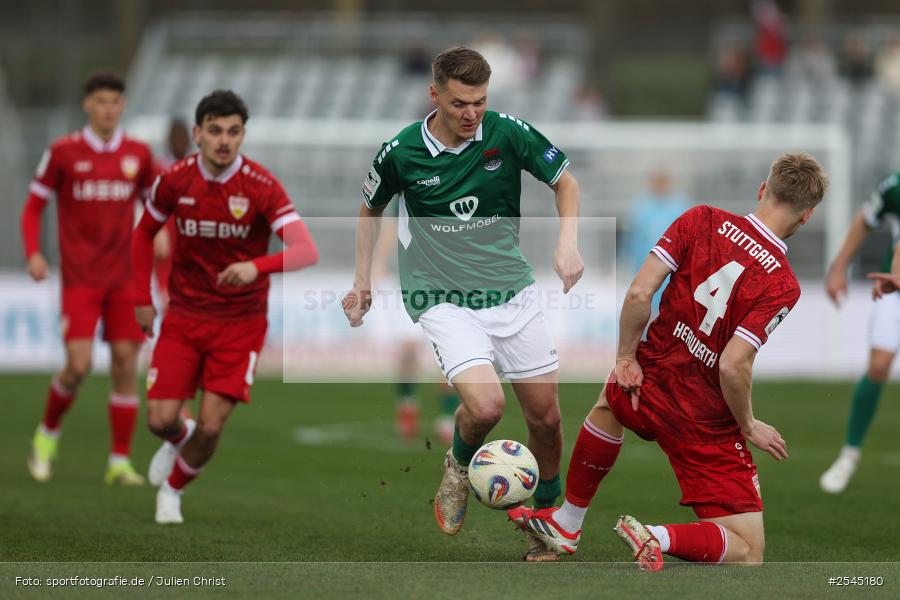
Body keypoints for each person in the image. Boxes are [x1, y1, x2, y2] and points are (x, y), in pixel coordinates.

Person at [509, 153, 828, 569]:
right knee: (749, 550)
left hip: (651, 379)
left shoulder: (702, 219)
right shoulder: (783, 284)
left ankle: (568, 522)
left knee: (609, 406)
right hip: (704, 420)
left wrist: (625, 356)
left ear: (763, 190)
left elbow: (641, 293)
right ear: (807, 217)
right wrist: (748, 424)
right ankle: (656, 535)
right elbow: (733, 364)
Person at [342, 46, 583, 561]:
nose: (471, 114)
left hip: (511, 290)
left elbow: (565, 181)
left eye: (479, 102)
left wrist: (568, 242)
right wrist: (363, 280)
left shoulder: (508, 132)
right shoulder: (400, 152)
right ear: (435, 95)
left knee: (547, 420)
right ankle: (457, 465)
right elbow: (370, 209)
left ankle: (547, 517)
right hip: (441, 297)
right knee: (488, 405)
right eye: (459, 104)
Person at [131, 90, 319, 524]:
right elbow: (143, 234)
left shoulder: (261, 186)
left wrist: (258, 265)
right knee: (160, 421)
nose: (224, 140)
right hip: (184, 316)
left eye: (233, 132)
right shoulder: (175, 179)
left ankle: (173, 491)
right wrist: (142, 299)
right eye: (214, 130)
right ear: (197, 133)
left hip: (240, 323)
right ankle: (180, 438)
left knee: (213, 426)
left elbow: (306, 250)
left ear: (242, 136)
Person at [20, 71, 156, 485]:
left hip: (125, 279)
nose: (108, 109)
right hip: (80, 279)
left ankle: (118, 462)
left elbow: (157, 206)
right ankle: (47, 435)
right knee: (78, 366)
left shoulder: (139, 154)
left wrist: (163, 234)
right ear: (87, 105)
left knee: (124, 365)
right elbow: (32, 208)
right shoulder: (63, 152)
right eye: (101, 101)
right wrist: (34, 254)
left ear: (123, 106)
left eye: (115, 101)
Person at [820, 171, 900, 493]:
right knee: (879, 365)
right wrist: (839, 266)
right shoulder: (894, 186)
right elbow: (865, 220)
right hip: (893, 286)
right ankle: (849, 454)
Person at [152, 118, 192, 307]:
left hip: (192, 242)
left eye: (183, 138)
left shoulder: (197, 169)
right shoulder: (158, 170)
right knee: (169, 301)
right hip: (167, 243)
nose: (179, 142)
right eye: (176, 138)